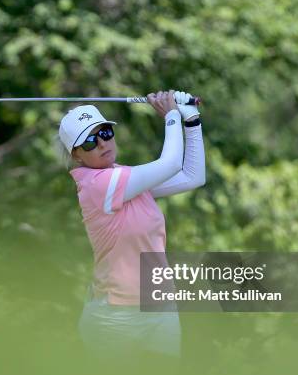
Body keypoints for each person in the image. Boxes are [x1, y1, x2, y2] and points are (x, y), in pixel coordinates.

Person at [56, 90, 206, 359]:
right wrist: (171, 114)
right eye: (89, 142)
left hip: (160, 306)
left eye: (104, 132)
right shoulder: (96, 186)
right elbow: (170, 163)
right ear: (77, 156)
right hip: (116, 317)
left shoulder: (124, 177)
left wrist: (191, 120)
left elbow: (192, 177)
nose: (102, 143)